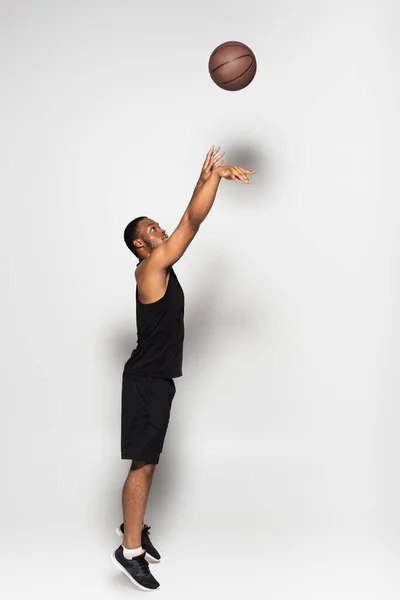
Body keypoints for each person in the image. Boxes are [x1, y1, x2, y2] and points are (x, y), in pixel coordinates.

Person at [111, 145, 255, 591]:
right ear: (141, 244)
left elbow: (185, 218)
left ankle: (135, 530)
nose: (161, 229)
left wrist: (208, 175)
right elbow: (191, 222)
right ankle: (129, 550)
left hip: (157, 381)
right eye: (152, 228)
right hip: (145, 382)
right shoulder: (151, 267)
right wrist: (212, 181)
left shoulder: (161, 264)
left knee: (149, 461)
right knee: (143, 464)